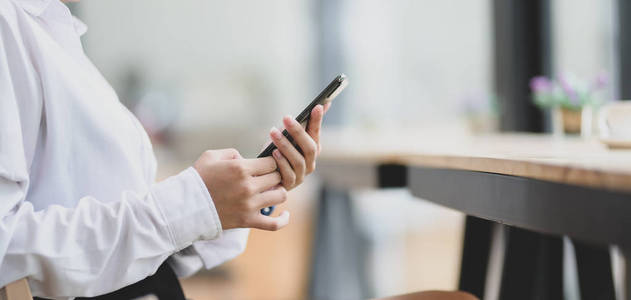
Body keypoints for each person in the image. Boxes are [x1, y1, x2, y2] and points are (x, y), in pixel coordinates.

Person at [0, 0, 329, 298]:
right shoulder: (9, 26)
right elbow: (7, 249)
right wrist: (188, 206)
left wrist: (231, 196)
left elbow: (127, 237)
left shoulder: (51, 28)